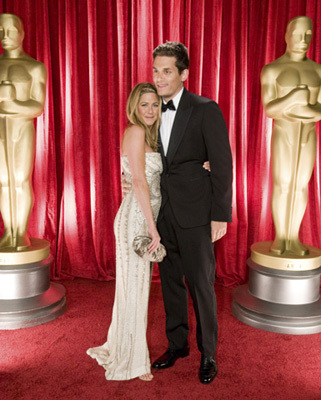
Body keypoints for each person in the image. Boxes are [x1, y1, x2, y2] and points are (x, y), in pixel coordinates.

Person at [149, 42, 232, 384]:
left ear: (184, 74)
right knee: (169, 284)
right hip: (163, 212)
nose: (159, 77)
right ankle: (177, 344)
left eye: (166, 71)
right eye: (155, 70)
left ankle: (208, 353)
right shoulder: (150, 109)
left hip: (197, 213)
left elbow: (223, 164)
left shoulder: (205, 108)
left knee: (201, 285)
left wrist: (220, 215)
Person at [87, 83, 163, 381]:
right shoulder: (135, 131)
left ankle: (127, 349)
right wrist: (153, 229)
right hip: (137, 221)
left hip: (143, 216)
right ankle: (132, 361)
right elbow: (140, 183)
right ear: (134, 106)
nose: (150, 110)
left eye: (155, 105)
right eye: (144, 104)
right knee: (135, 289)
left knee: (136, 289)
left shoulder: (150, 134)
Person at [261, 16, 321, 256]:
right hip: (283, 134)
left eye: (308, 34)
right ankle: (280, 237)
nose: (303, 39)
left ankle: (293, 237)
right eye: (297, 33)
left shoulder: (317, 70)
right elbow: (270, 109)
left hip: (307, 134)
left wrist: (303, 108)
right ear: (287, 35)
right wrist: (293, 99)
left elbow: (318, 111)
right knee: (283, 185)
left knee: (300, 187)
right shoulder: (273, 69)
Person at [0, 13, 47, 250]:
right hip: (0, 130)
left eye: (10, 30)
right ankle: (9, 231)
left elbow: (37, 106)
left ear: (22, 33)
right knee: (3, 182)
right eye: (1, 30)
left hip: (21, 129)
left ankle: (21, 232)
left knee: (20, 180)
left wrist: (12, 104)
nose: (4, 36)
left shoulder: (35, 67)